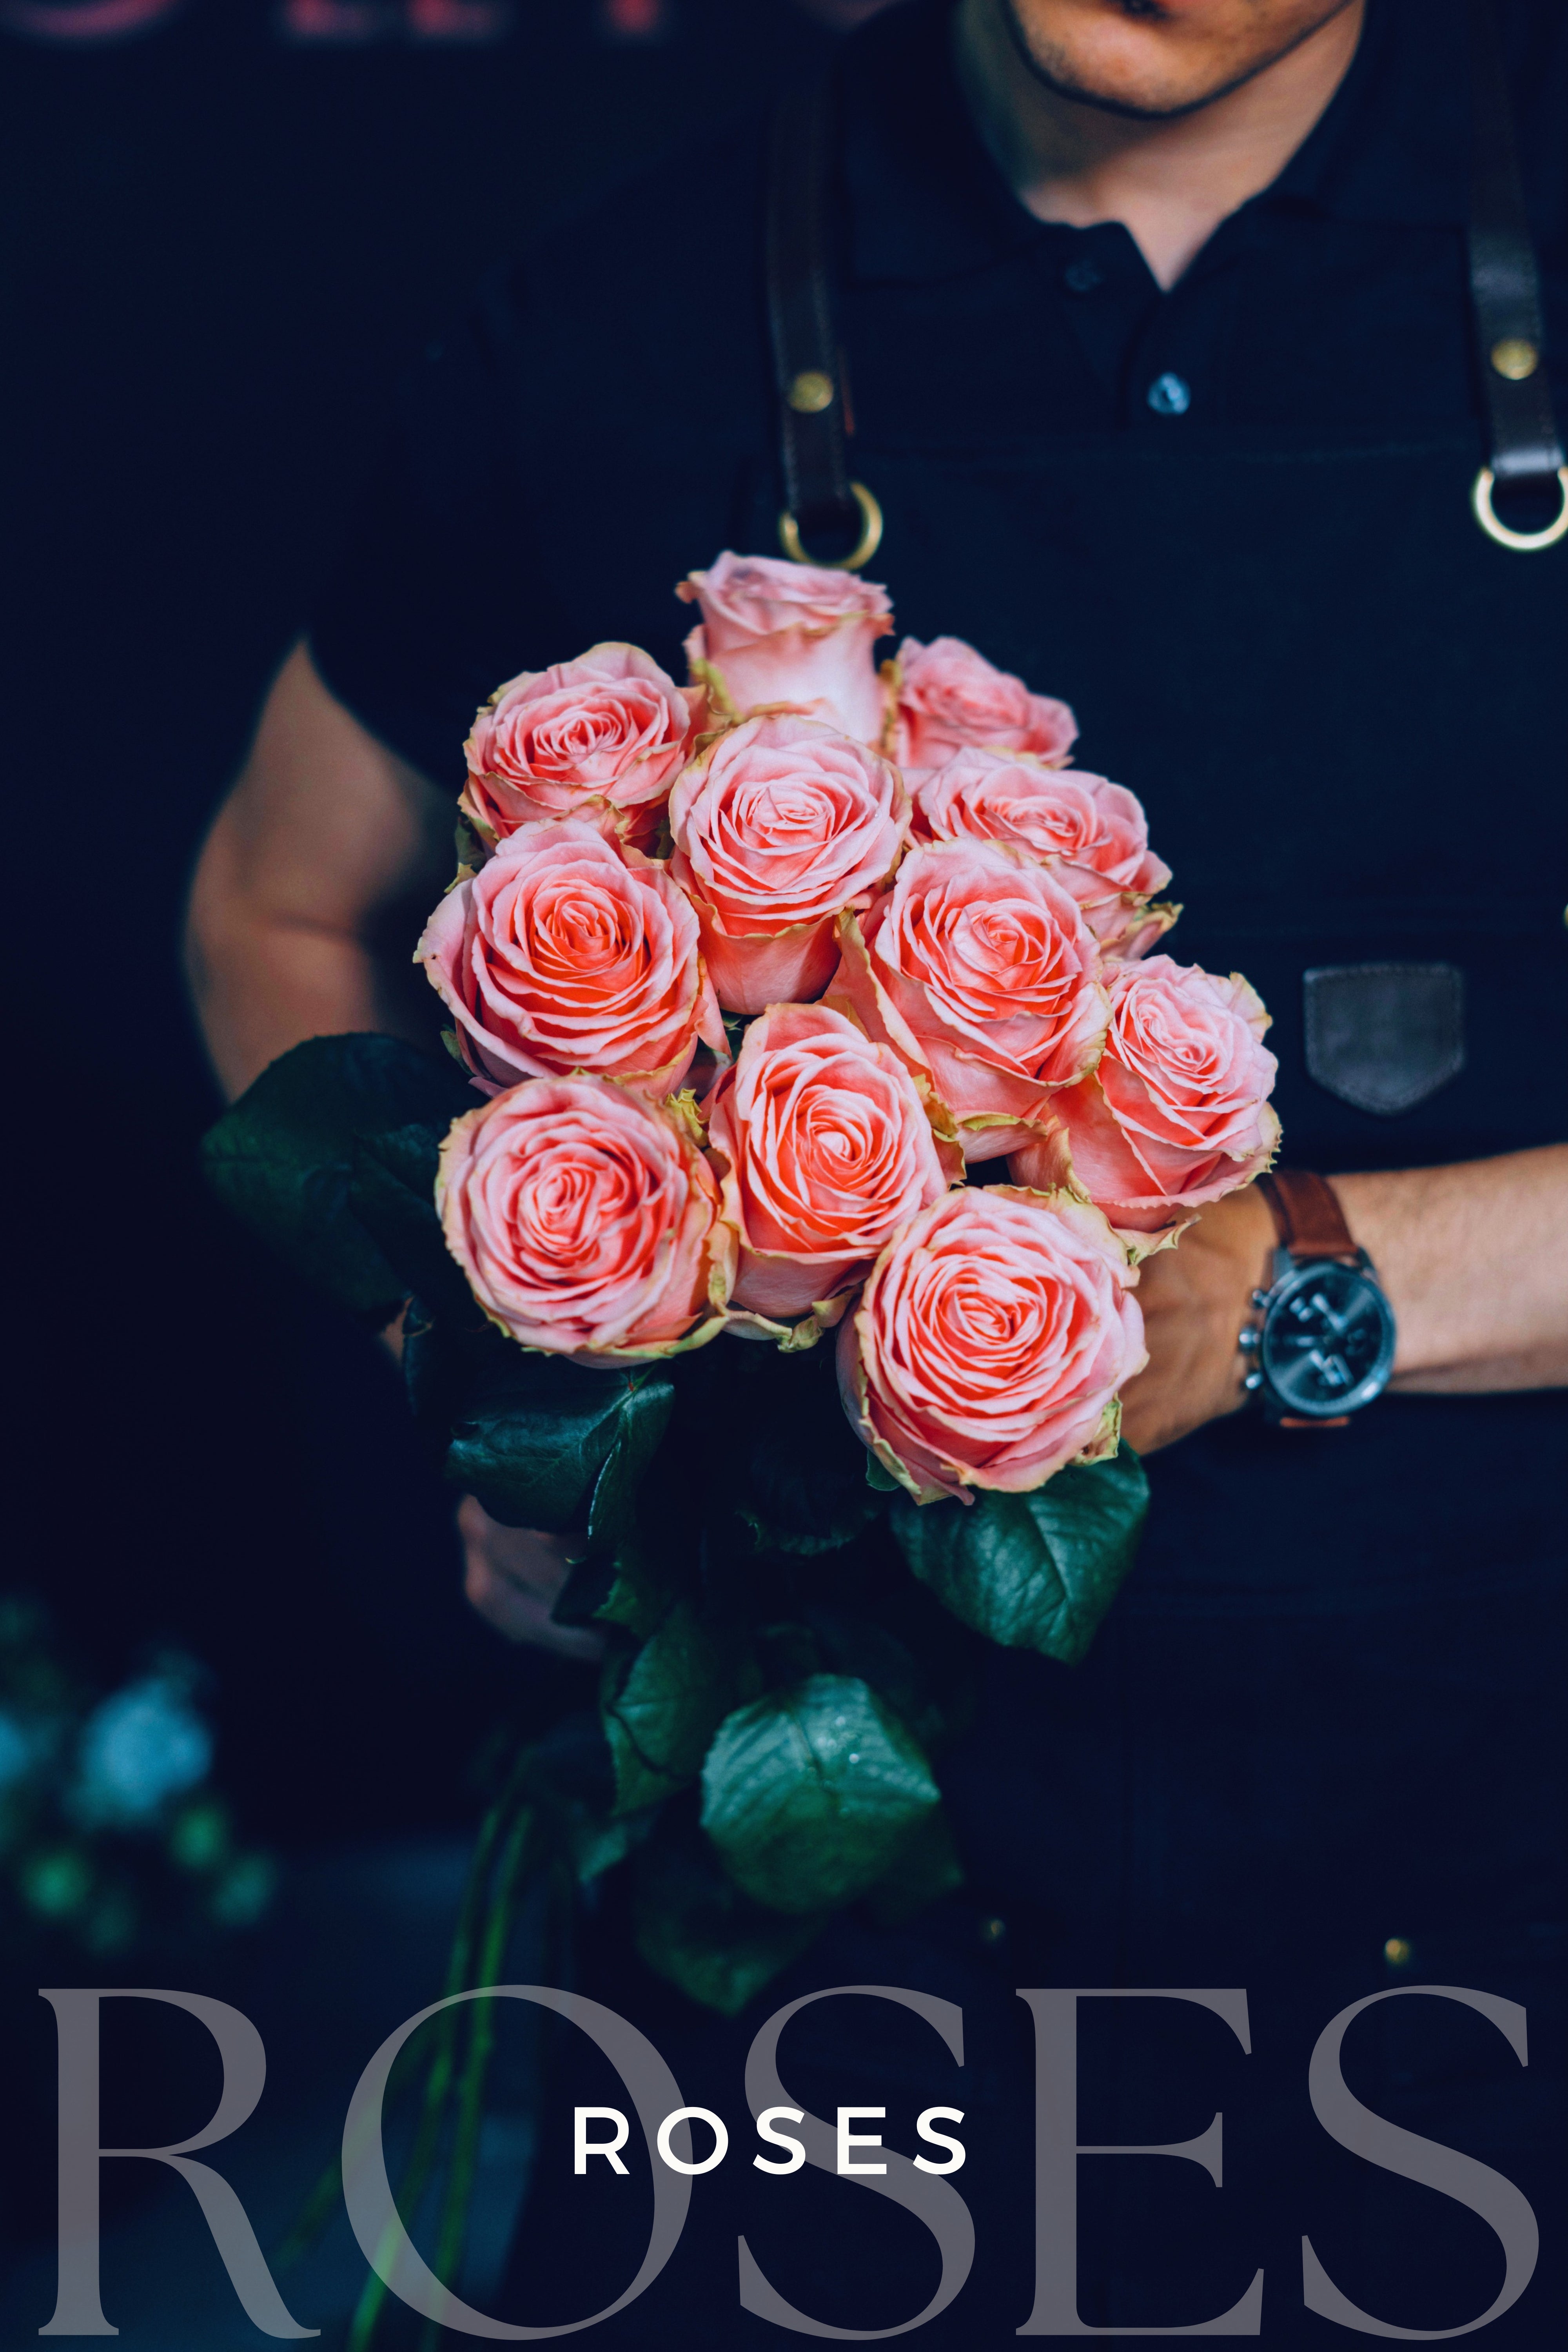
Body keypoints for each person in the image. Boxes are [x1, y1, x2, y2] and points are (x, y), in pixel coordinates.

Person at [187, 0, 1566, 2339]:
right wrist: (511, 1368)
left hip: (1496, 1916)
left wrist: (1314, 1275)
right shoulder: (618, 308)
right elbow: (272, 901)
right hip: (820, 1994)